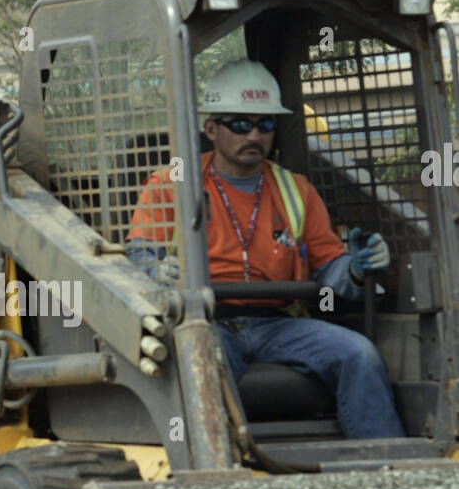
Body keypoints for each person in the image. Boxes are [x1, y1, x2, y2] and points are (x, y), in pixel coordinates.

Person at [126, 58, 405, 440]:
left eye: (265, 124)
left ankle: (387, 471)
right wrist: (154, 273)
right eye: (240, 124)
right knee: (208, 365)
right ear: (211, 128)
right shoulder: (168, 186)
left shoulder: (296, 190)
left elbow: (330, 270)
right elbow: (139, 259)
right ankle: (223, 469)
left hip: (279, 322)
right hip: (205, 321)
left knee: (360, 354)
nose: (254, 135)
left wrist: (357, 269)